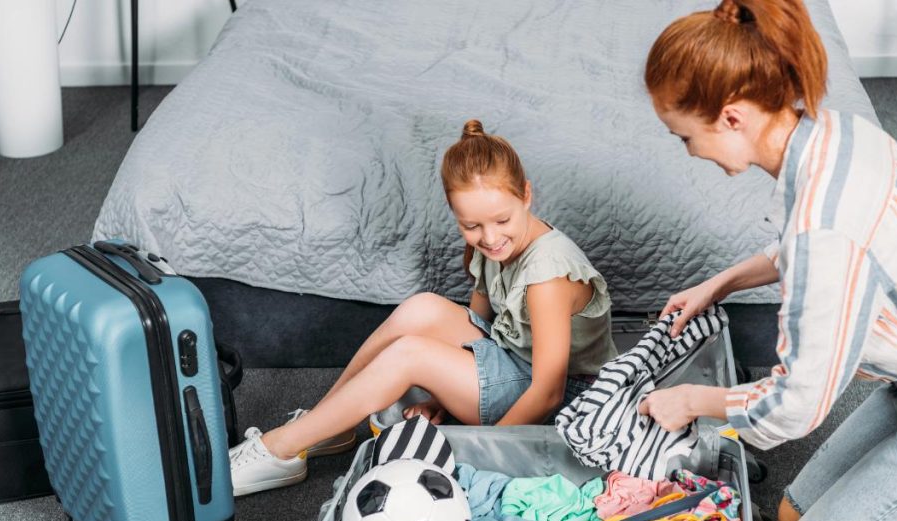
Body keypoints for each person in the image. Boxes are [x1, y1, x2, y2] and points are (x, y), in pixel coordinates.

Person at [640, 0, 897, 521]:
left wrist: (692, 401)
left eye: (684, 138)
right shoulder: (833, 131)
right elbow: (803, 253)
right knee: (790, 518)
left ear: (730, 118)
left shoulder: (823, 232)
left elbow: (797, 405)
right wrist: (716, 285)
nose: (689, 152)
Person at [228, 119, 618, 496]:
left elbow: (548, 393)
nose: (491, 237)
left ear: (526, 195)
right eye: (472, 226)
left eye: (502, 219)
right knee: (421, 308)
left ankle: (281, 448)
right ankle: (328, 424)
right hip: (516, 362)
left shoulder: (547, 275)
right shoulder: (491, 243)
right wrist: (448, 391)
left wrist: (478, 453)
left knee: (409, 355)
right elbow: (481, 326)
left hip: (565, 397)